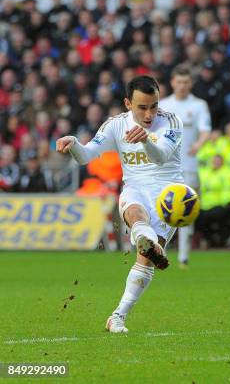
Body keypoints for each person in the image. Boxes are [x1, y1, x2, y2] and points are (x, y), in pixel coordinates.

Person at [56, 75, 184, 334]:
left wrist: (146, 139)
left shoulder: (171, 121)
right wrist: (74, 144)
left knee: (144, 262)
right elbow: (86, 156)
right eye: (142, 107)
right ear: (128, 103)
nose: (149, 113)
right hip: (135, 187)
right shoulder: (114, 125)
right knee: (135, 214)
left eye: (154, 106)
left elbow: (161, 157)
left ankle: (118, 315)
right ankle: (148, 242)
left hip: (169, 195)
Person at [160, 66, 211, 268]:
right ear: (172, 82)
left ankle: (183, 256)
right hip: (165, 166)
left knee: (185, 210)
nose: (182, 86)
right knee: (162, 209)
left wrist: (198, 145)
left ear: (191, 84)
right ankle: (159, 251)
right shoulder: (163, 105)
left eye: (186, 82)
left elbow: (205, 130)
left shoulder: (199, 105)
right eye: (179, 82)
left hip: (188, 166)